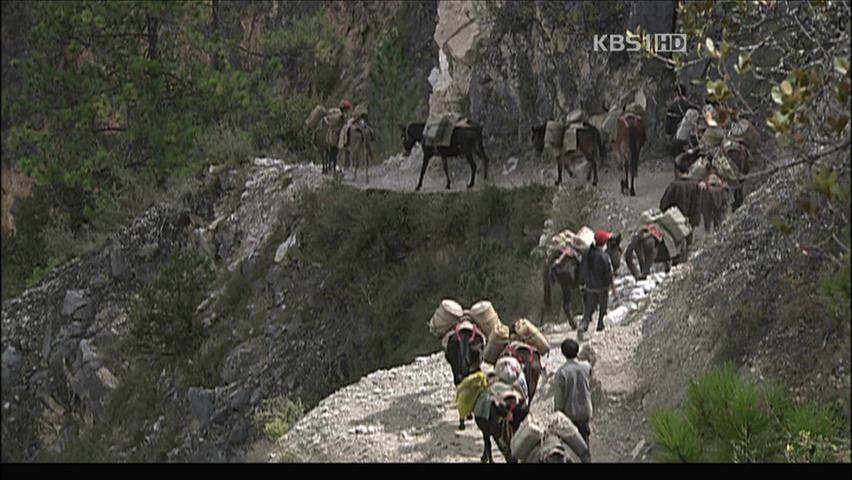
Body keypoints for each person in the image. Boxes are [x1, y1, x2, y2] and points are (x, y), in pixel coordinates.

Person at [553, 339, 594, 460]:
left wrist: (557, 415)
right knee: (585, 446)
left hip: (570, 414)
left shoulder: (561, 373)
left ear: (563, 353)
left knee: (568, 447)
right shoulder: (586, 367)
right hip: (585, 411)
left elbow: (559, 400)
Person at [578, 230, 616, 333]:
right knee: (602, 308)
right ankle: (600, 327)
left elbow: (582, 270)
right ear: (604, 243)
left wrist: (582, 284)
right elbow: (609, 274)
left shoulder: (586, 254)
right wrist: (612, 289)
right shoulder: (605, 257)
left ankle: (584, 325)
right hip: (602, 289)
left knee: (588, 309)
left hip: (589, 288)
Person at [659, 161, 702, 245]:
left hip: (675, 223)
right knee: (689, 245)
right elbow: (698, 206)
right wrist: (694, 221)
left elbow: (663, 204)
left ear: (678, 172)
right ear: (688, 171)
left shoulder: (673, 185)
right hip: (689, 223)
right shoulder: (696, 185)